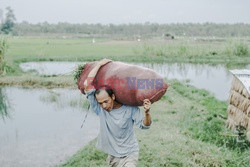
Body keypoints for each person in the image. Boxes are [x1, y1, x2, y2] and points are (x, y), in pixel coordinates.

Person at [83, 59, 152, 167]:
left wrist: (147, 112)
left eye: (106, 101)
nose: (104, 106)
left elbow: (145, 125)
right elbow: (87, 84)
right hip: (113, 155)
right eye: (100, 103)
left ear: (113, 97)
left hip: (130, 153)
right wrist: (99, 65)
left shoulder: (130, 108)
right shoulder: (99, 109)